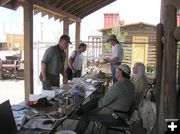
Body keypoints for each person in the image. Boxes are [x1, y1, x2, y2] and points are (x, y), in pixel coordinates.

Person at [74, 64, 135, 134]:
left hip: (114, 115)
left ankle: (77, 130)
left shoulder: (119, 85)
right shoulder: (130, 84)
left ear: (120, 72)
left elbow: (103, 103)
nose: (115, 71)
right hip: (122, 112)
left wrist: (94, 108)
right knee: (95, 100)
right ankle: (83, 109)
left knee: (86, 115)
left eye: (117, 69)